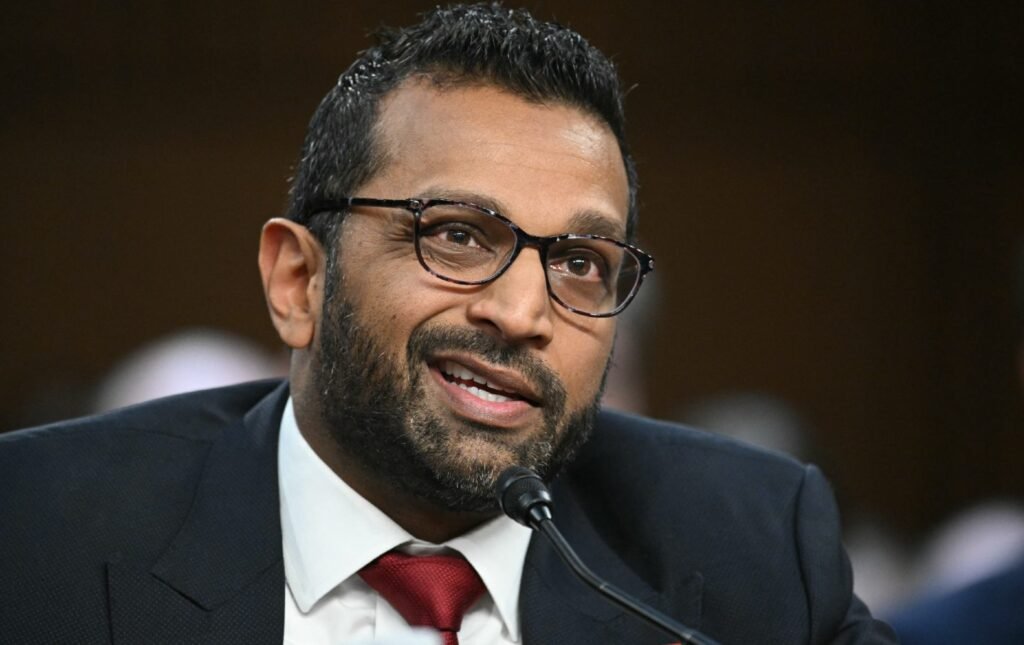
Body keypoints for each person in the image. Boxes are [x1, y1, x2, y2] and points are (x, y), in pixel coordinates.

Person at [0, 4, 896, 643]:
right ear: (298, 281)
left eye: (580, 262)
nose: (520, 313)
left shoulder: (752, 546)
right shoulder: (40, 534)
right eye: (459, 236)